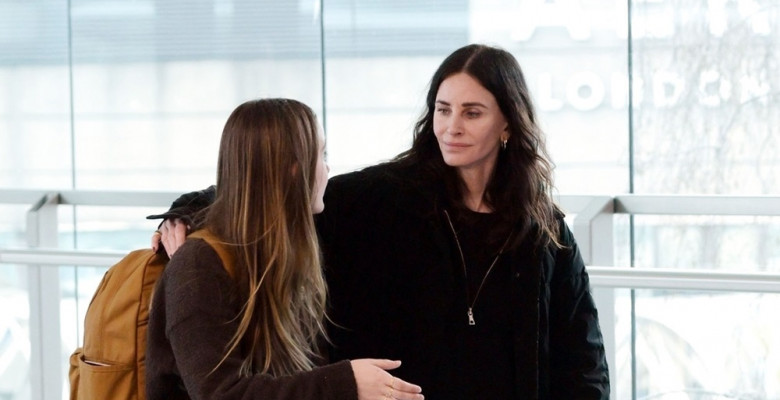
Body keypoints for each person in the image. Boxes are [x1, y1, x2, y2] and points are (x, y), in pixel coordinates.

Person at [153, 44, 610, 399]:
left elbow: (583, 358)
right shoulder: (388, 197)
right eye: (443, 109)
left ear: (508, 124)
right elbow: (268, 190)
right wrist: (189, 212)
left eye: (472, 113)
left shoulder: (543, 230)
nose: (452, 127)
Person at [145, 98, 424, 400]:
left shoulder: (285, 253)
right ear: (292, 169)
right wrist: (345, 383)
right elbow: (220, 394)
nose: (328, 168)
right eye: (321, 154)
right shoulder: (198, 266)